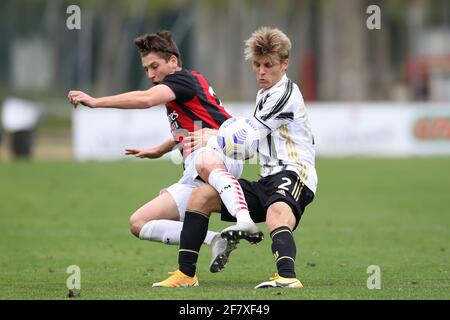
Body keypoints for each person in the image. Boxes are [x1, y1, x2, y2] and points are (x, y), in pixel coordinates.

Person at [67, 30, 262, 270]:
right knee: (139, 222)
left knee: (202, 161)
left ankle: (244, 220)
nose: (150, 74)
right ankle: (216, 239)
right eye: (146, 69)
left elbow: (146, 99)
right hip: (196, 167)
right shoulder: (183, 87)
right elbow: (189, 129)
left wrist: (96, 102)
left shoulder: (180, 79)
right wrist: (160, 149)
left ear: (173, 61)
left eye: (154, 66)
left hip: (216, 151)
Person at [153, 26, 317, 288]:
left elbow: (249, 138)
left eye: (268, 65)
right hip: (267, 179)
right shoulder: (264, 94)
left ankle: (287, 277)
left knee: (277, 213)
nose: (261, 71)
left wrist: (213, 137)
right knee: (201, 196)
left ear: (285, 64)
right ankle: (186, 275)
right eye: (256, 64)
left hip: (295, 172)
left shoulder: (285, 94)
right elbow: (248, 143)